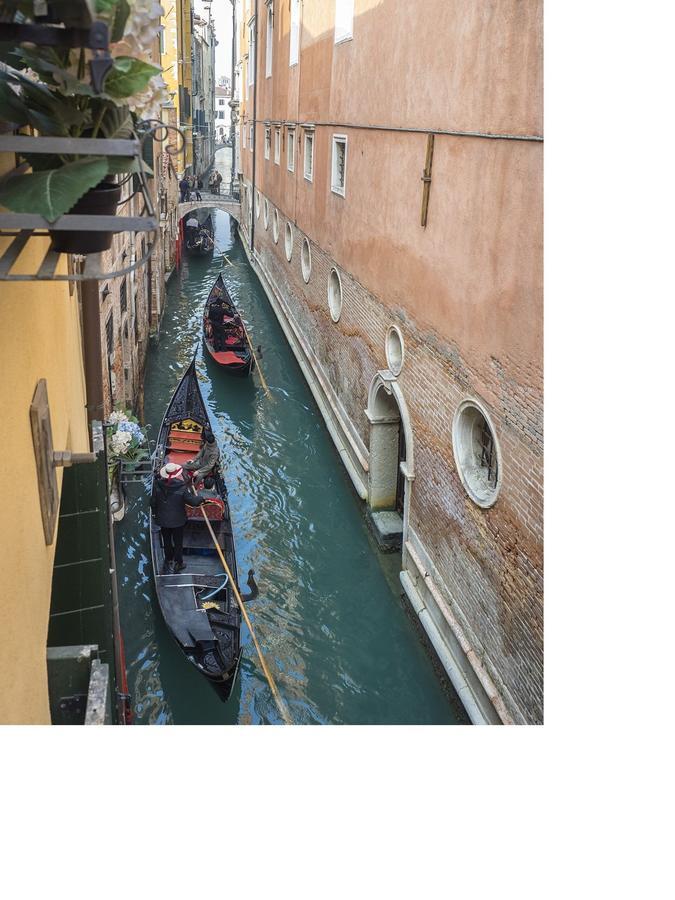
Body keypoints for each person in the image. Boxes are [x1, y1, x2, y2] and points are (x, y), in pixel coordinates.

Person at [151, 463, 206, 573]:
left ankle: (168, 559)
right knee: (178, 542)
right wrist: (201, 498)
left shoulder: (157, 485)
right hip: (178, 521)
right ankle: (178, 563)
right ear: (176, 474)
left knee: (166, 540)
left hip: (163, 520)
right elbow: (193, 502)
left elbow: (152, 502)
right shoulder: (181, 487)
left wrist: (155, 515)